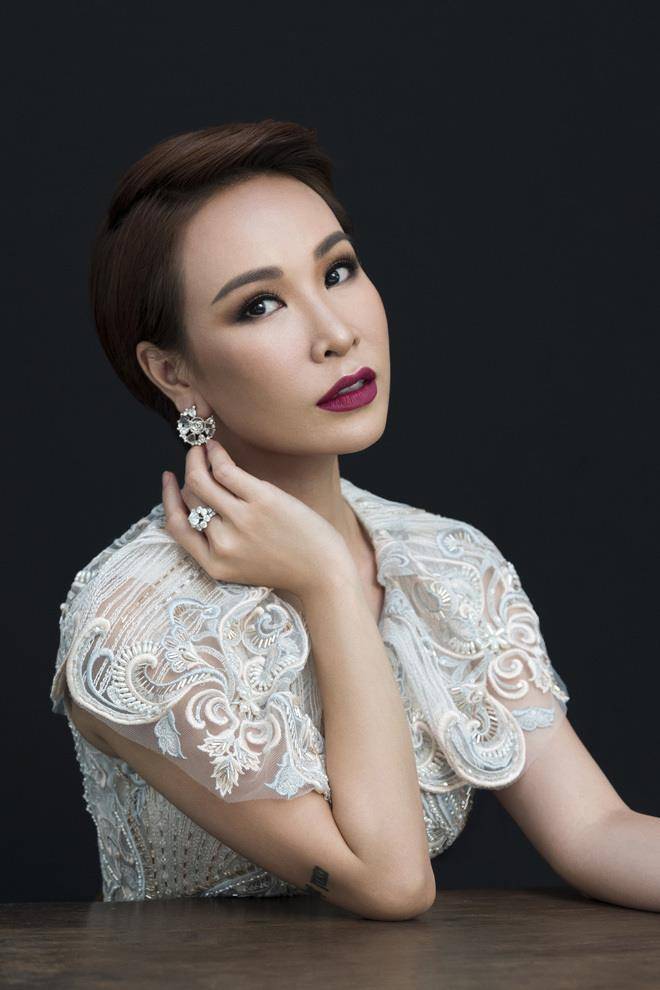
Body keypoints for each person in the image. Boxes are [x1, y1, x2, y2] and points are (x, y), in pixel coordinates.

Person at [51, 120, 658, 918]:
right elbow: (388, 882)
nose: (338, 333)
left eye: (337, 271)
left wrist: (328, 571)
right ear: (172, 372)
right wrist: (328, 583)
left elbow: (595, 830)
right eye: (260, 305)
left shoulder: (445, 562)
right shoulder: (134, 624)